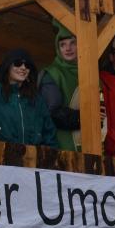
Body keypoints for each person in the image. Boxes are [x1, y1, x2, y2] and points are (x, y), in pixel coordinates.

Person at [0, 49, 57, 147]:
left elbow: (50, 137)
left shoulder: (37, 100)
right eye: (18, 63)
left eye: (27, 65)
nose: (23, 68)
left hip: (32, 161)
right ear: (7, 67)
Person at [40, 20, 79, 150]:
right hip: (62, 143)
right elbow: (52, 112)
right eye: (62, 45)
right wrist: (86, 118)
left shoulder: (90, 72)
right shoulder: (52, 73)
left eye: (73, 43)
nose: (68, 48)